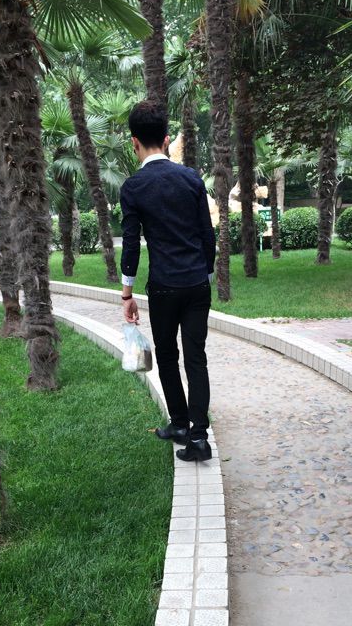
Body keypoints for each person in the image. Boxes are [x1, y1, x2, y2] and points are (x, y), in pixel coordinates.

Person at [120, 100, 216, 462]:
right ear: (165, 139)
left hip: (163, 287)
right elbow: (207, 235)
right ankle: (197, 436)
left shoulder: (133, 187)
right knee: (196, 358)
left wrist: (127, 293)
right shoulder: (191, 179)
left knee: (167, 355)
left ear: (134, 142)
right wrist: (205, 273)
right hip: (196, 284)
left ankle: (179, 423)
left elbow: (132, 243)